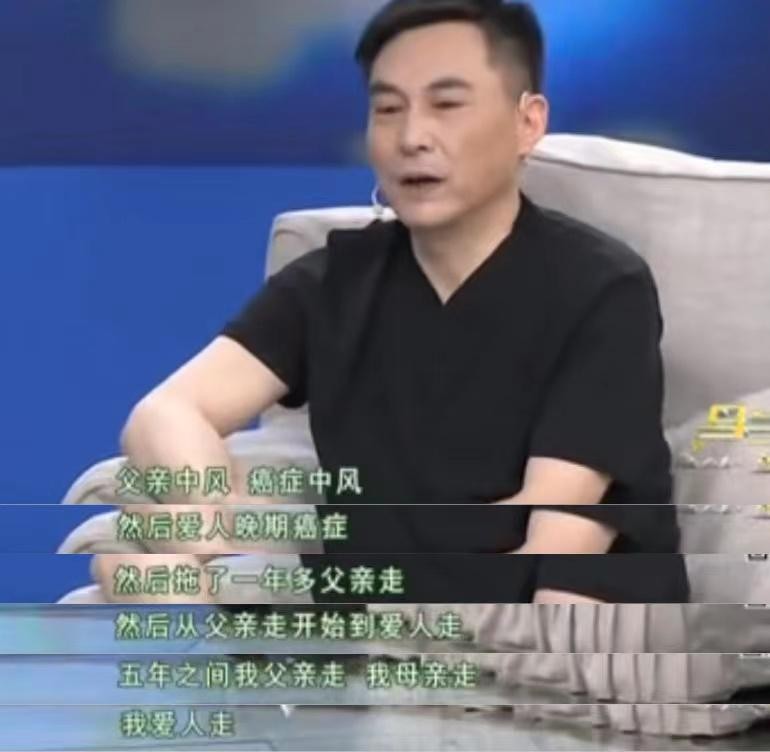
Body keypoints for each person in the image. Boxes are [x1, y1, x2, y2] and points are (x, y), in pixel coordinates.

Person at [93, 0, 689, 605]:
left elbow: (557, 542)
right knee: (125, 567)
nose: (412, 138)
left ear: (527, 123)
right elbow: (166, 410)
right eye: (388, 109)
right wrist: (208, 521)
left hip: (542, 597)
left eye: (447, 105)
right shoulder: (333, 282)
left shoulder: (601, 285)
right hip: (386, 597)